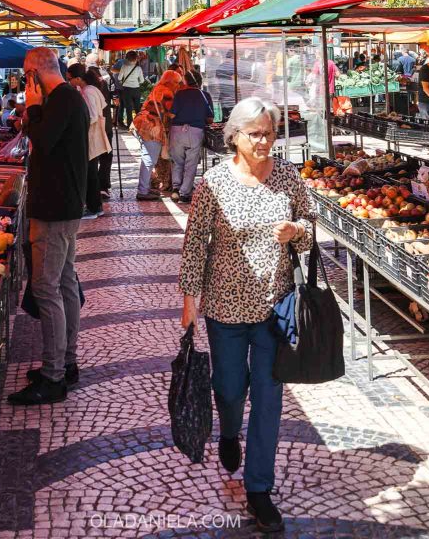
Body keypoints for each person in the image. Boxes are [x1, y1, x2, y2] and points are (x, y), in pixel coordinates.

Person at [179, 97, 315, 533]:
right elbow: (196, 242)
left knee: (270, 398)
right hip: (224, 307)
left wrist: (298, 231)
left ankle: (260, 487)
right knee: (229, 387)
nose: (262, 142)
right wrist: (189, 297)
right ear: (234, 136)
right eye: (254, 133)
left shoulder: (288, 177)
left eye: (269, 134)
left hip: (274, 308)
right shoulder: (214, 183)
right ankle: (229, 431)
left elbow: (311, 228)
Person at [8, 48, 89, 406]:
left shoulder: (61, 100)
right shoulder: (67, 98)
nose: (25, 82)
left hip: (55, 210)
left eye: (27, 75)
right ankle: (65, 362)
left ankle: (54, 375)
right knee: (66, 283)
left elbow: (43, 139)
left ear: (37, 73)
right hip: (62, 205)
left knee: (46, 288)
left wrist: (32, 106)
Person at [66, 62, 111, 220]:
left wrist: (77, 127)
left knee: (91, 172)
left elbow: (92, 116)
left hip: (91, 136)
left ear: (78, 78)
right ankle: (94, 206)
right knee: (91, 171)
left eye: (70, 79)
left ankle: (94, 207)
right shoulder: (89, 90)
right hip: (92, 135)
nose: (69, 82)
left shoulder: (89, 92)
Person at [168, 70, 214, 204]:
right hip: (195, 132)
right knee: (191, 164)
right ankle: (185, 192)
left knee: (177, 161)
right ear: (199, 82)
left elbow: (172, 115)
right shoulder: (205, 95)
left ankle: (176, 188)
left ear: (186, 81)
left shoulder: (179, 94)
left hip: (177, 131)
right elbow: (210, 119)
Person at [131, 94, 169, 200]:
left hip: (145, 124)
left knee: (149, 160)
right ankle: (143, 190)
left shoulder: (159, 91)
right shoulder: (164, 92)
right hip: (150, 127)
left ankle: (145, 188)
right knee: (148, 160)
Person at [86, 64, 114, 199]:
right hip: (105, 125)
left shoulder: (88, 90)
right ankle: (103, 186)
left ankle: (96, 186)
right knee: (106, 156)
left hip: (96, 127)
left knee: (93, 157)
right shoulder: (102, 86)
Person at [117, 52, 144, 126]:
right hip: (136, 89)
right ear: (136, 58)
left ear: (127, 58)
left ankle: (129, 125)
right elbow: (142, 81)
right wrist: (136, 81)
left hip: (126, 89)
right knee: (137, 108)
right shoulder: (138, 68)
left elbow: (119, 78)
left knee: (128, 108)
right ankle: (139, 125)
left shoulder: (124, 66)